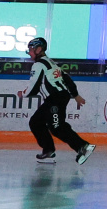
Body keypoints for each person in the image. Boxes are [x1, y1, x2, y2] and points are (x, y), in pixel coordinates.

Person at [26, 37, 94, 165]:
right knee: (36, 122)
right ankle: (48, 151)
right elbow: (67, 78)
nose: (29, 53)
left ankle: (83, 147)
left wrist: (23, 93)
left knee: (57, 127)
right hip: (56, 97)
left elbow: (32, 87)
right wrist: (75, 95)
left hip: (55, 98)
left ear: (39, 49)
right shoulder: (50, 62)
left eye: (30, 49)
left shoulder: (39, 64)